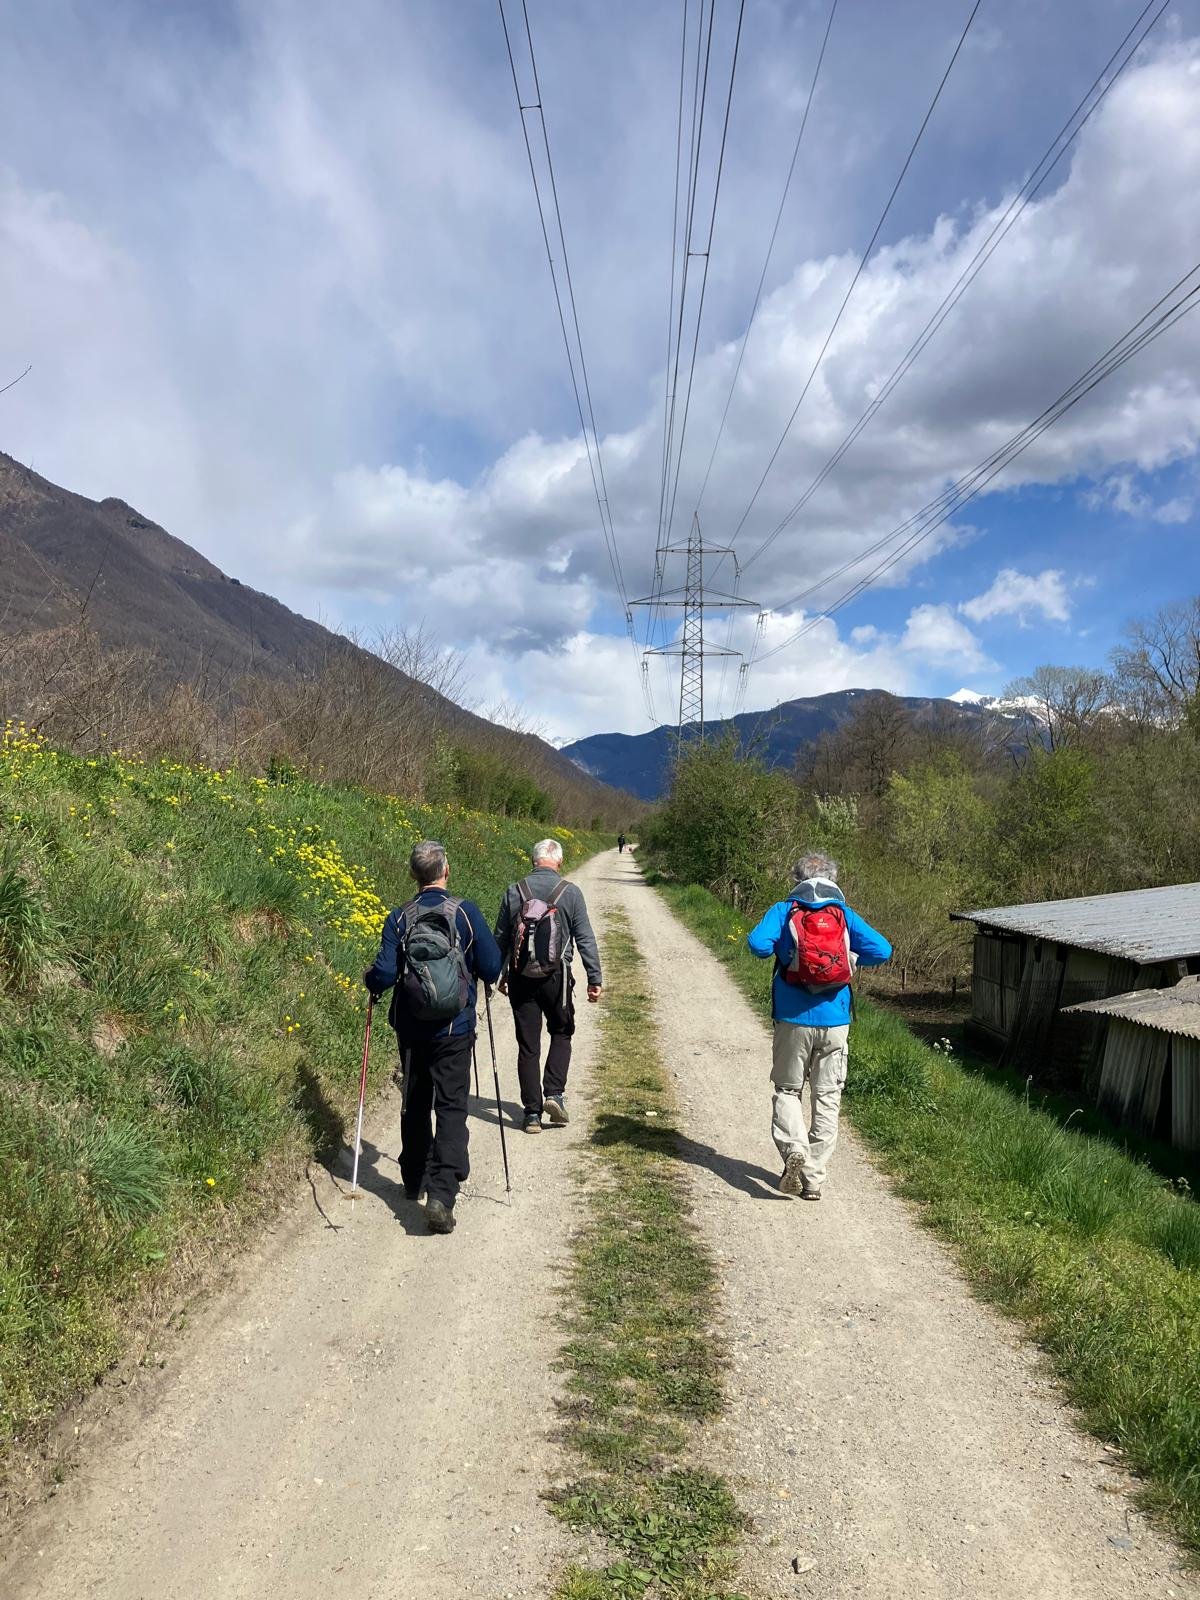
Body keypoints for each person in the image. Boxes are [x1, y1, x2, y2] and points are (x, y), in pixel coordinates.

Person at [364, 840, 502, 1235]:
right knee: (452, 1107)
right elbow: (492, 966)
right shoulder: (466, 912)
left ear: (413, 875)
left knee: (415, 1101)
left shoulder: (399, 917)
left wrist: (369, 981)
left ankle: (412, 1178)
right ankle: (441, 1193)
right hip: (454, 1030)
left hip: (411, 1029)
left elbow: (385, 975)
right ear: (447, 870)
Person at [746, 850, 891, 1201]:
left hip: (792, 1018)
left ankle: (794, 1148)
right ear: (832, 880)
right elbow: (883, 950)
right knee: (827, 1097)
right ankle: (813, 1180)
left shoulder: (784, 911)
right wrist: (850, 959)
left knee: (788, 1090)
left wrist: (785, 955)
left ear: (796, 880)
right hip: (836, 1019)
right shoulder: (843, 915)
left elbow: (756, 945)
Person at [494, 839, 603, 1133]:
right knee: (561, 1031)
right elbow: (585, 939)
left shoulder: (514, 892)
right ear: (559, 862)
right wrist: (595, 979)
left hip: (521, 978)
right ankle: (554, 1094)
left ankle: (531, 1114)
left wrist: (498, 976)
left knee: (528, 1045)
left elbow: (501, 940)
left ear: (533, 861)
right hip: (558, 978)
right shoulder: (571, 893)